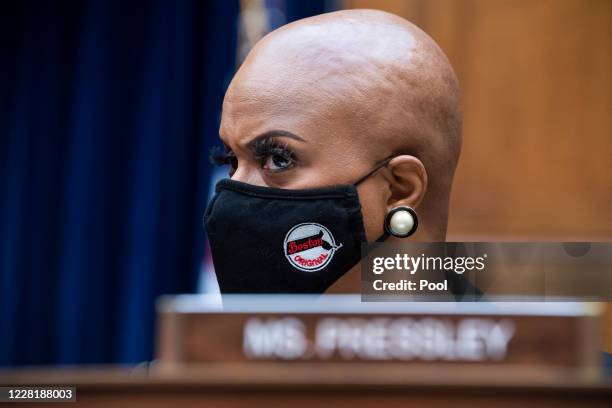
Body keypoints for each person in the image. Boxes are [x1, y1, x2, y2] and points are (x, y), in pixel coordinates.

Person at [204, 9, 462, 293]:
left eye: (277, 160)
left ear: (400, 188)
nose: (232, 196)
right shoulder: (219, 336)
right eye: (230, 160)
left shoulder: (513, 338)